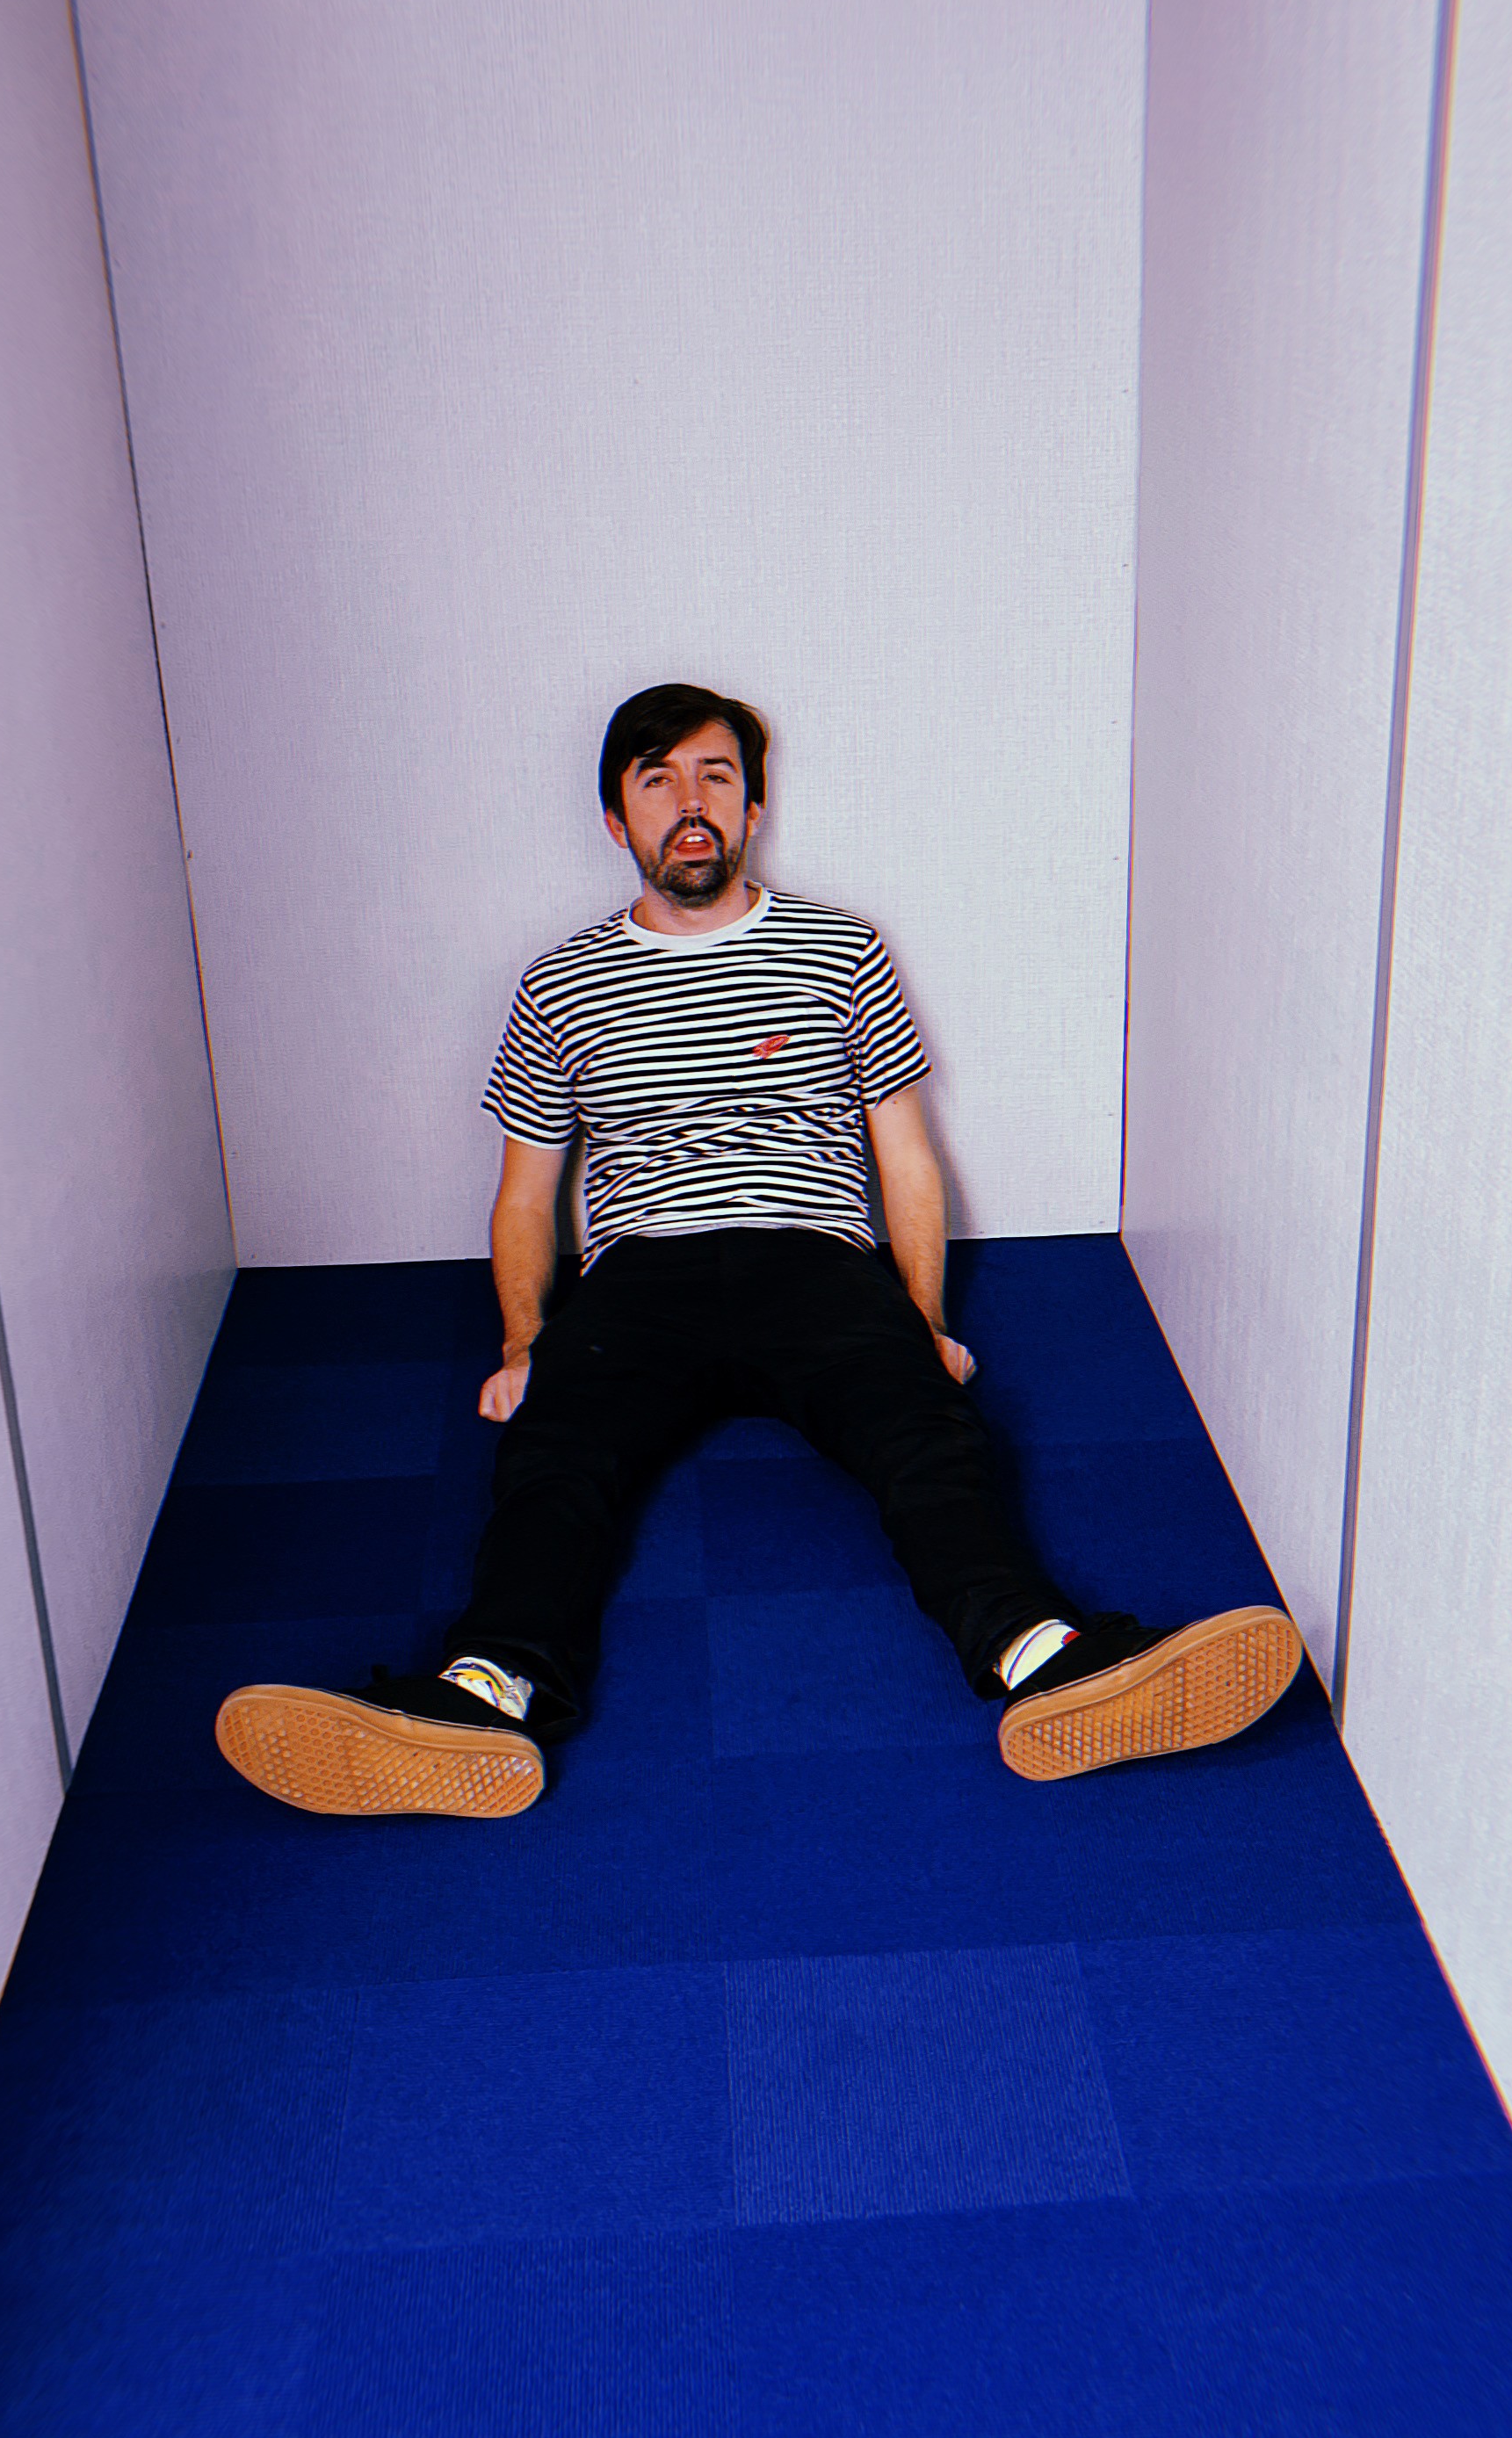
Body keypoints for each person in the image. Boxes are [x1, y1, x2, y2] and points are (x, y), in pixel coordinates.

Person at [216, 684, 1303, 1819]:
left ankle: (1046, 1659)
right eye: (658, 781)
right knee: (556, 1460)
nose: (690, 803)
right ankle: (484, 1694)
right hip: (640, 1275)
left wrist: (923, 1322)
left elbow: (907, 1156)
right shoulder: (558, 983)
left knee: (926, 1438)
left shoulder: (841, 947)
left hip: (812, 1259)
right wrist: (525, 1343)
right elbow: (526, 1195)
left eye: (716, 776)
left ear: (753, 805)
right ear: (617, 821)